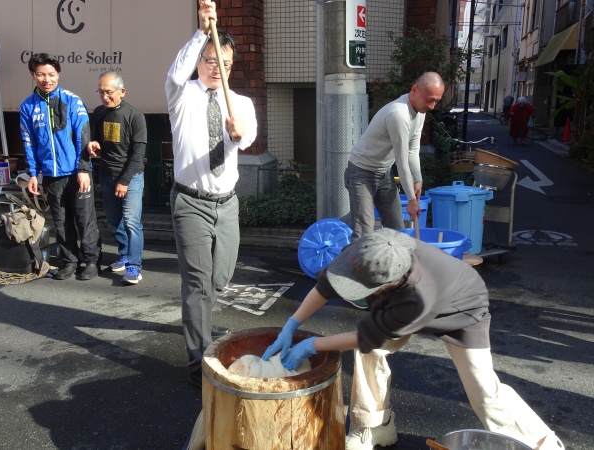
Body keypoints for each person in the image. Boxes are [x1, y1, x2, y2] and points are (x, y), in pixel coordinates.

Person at [263, 228, 565, 450]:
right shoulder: (373, 247)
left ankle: (542, 444)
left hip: (464, 308)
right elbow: (328, 283)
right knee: (372, 353)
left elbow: (367, 335)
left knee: (485, 391)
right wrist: (292, 323)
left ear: (387, 284)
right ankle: (375, 425)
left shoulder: (415, 298)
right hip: (410, 297)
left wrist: (311, 344)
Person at [165, 0, 257, 387]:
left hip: (227, 204)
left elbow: (248, 137)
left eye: (226, 63)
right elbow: (176, 70)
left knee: (220, 279)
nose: (218, 68)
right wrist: (203, 30)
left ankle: (198, 317)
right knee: (199, 285)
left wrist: (239, 134)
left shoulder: (241, 103)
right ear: (200, 61)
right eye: (210, 60)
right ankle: (198, 364)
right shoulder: (181, 94)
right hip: (190, 202)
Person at [19, 53, 101, 281]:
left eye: (52, 74)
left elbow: (84, 136)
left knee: (85, 220)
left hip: (77, 174)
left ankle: (92, 261)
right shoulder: (27, 107)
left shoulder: (72, 100)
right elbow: (29, 142)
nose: (47, 79)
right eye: (41, 74)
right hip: (51, 176)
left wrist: (84, 169)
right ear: (33, 75)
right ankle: (69, 261)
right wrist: (34, 174)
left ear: (58, 74)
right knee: (61, 221)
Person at [345, 72, 445, 241]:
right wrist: (412, 200)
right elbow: (402, 160)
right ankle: (348, 265)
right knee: (364, 234)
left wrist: (418, 179)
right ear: (414, 89)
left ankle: (396, 267)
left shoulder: (420, 112)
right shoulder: (398, 114)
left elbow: (413, 149)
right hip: (361, 173)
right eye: (430, 99)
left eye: (436, 101)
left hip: (383, 173)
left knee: (397, 228)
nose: (433, 106)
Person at [88, 71, 147, 285]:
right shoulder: (99, 113)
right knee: (114, 222)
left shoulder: (135, 116)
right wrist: (93, 144)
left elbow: (138, 154)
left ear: (122, 91)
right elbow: (95, 139)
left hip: (131, 178)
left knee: (132, 221)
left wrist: (124, 181)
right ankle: (124, 254)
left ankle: (134, 266)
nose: (105, 97)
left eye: (109, 92)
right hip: (106, 175)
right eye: (101, 92)